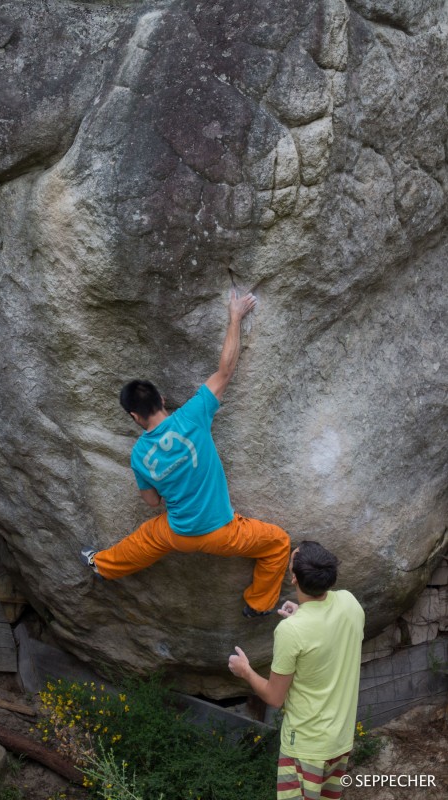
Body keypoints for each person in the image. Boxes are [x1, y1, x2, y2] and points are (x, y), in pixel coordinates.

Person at [80, 290, 290, 617]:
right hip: (222, 531)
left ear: (134, 417)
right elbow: (225, 371)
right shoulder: (194, 415)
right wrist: (235, 316)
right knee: (277, 543)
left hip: (178, 534)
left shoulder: (139, 456)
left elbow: (151, 502)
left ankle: (101, 565)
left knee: (144, 539)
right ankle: (258, 605)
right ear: (162, 399)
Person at [228, 541, 364, 800]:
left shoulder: (291, 631)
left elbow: (274, 697)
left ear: (293, 578)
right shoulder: (351, 603)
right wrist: (303, 615)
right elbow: (328, 635)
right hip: (340, 741)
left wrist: (244, 670)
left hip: (306, 746)